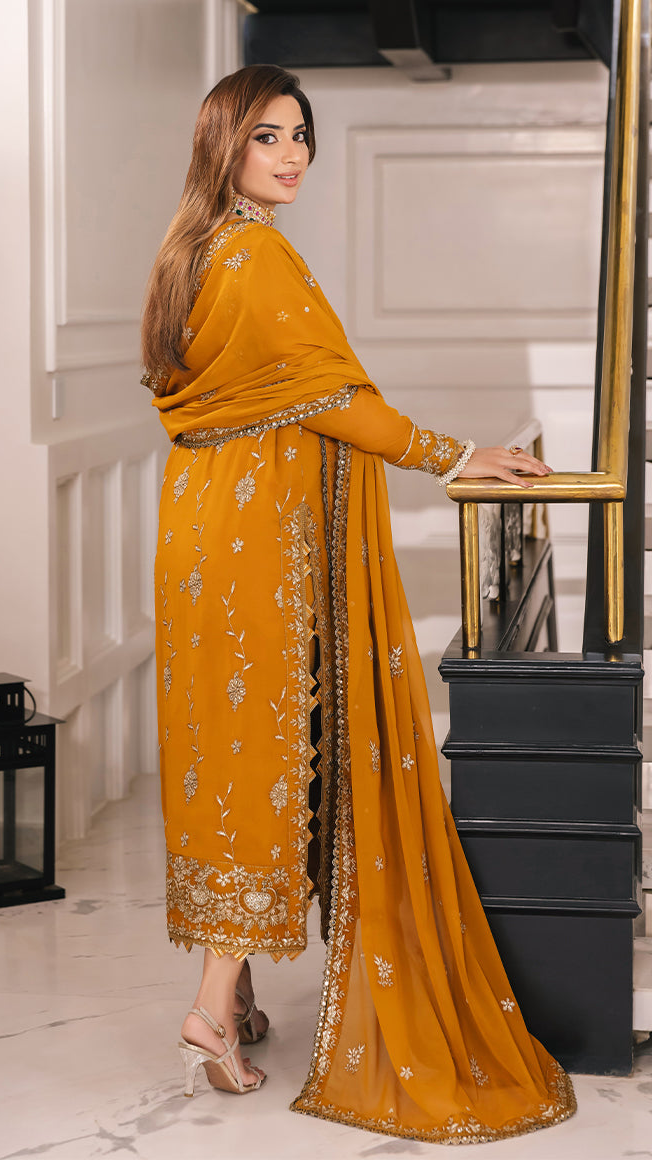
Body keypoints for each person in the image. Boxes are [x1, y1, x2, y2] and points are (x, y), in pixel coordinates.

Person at [140, 63, 577, 1142]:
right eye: (267, 136)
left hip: (201, 527)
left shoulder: (190, 252)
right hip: (260, 545)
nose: (291, 154)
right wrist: (453, 453)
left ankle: (234, 989)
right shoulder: (256, 255)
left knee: (232, 749)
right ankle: (210, 1009)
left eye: (300, 135)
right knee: (269, 749)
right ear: (223, 145)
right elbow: (334, 400)